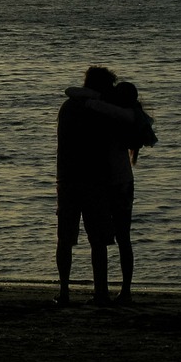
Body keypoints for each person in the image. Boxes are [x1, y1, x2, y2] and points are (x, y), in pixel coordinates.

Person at [66, 81, 157, 304]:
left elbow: (74, 93)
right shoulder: (128, 114)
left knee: (107, 239)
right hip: (120, 183)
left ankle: (111, 292)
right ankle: (122, 291)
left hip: (112, 184)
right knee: (122, 238)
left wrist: (95, 97)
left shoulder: (122, 113)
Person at [55, 65, 119, 306]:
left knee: (66, 238)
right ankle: (100, 291)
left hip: (68, 179)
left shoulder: (69, 107)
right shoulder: (98, 110)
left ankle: (64, 291)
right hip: (94, 181)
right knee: (99, 240)